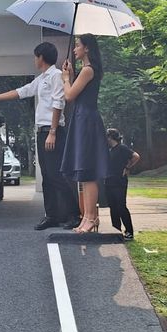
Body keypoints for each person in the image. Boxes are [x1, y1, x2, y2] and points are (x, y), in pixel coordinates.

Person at [0, 42, 80, 230]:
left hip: (52, 132)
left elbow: (58, 103)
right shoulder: (42, 78)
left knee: (56, 175)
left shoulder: (56, 75)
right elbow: (22, 92)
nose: (34, 60)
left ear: (41, 57)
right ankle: (52, 216)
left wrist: (52, 132)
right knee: (47, 177)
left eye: (35, 56)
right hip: (42, 132)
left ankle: (74, 214)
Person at [60, 34, 108, 234]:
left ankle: (91, 217)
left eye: (78, 45)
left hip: (86, 120)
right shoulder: (86, 70)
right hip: (82, 119)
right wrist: (71, 75)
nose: (74, 49)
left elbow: (69, 95)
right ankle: (87, 216)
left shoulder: (88, 70)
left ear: (87, 48)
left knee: (88, 172)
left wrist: (65, 79)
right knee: (84, 171)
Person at [105, 128, 140, 240]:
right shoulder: (109, 150)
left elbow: (136, 156)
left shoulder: (122, 148)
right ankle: (116, 230)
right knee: (113, 207)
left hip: (119, 181)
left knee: (121, 206)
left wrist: (127, 167)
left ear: (110, 137)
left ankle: (129, 231)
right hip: (109, 181)